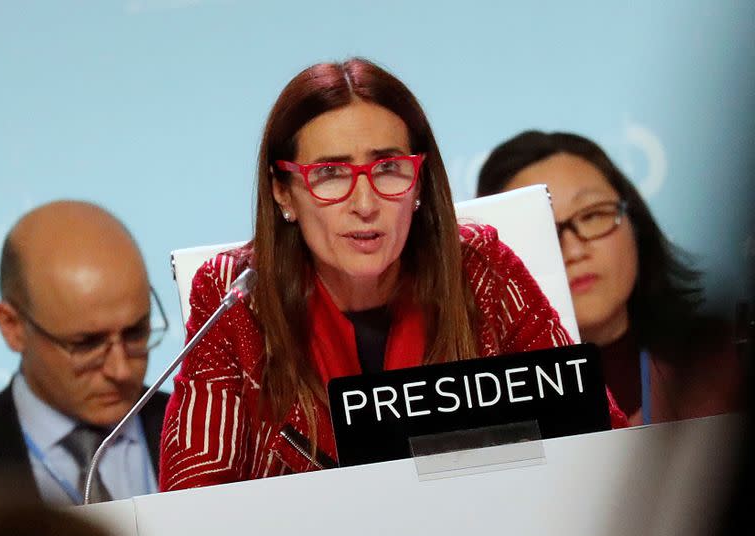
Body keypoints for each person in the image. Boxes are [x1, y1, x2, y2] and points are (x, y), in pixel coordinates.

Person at [159, 59, 627, 492]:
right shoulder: (236, 297)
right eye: (330, 174)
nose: (365, 205)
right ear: (284, 193)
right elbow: (191, 501)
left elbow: (605, 446)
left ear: (419, 182)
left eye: (387, 168)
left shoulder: (481, 269)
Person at [476, 130, 743, 425]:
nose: (574, 250)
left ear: (635, 224)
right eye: (543, 231)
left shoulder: (726, 364)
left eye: (592, 215)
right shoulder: (482, 401)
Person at [0, 200, 170, 515]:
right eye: (87, 344)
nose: (121, 370)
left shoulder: (206, 434)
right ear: (12, 327)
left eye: (136, 333)